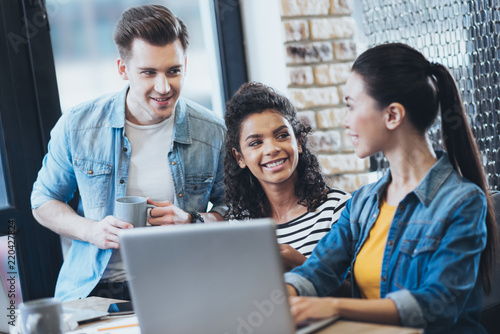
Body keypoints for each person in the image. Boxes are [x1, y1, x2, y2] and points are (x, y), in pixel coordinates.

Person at [285, 43, 498, 333]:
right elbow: (320, 268)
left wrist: (335, 306)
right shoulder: (363, 202)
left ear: (393, 115)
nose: (345, 121)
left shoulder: (461, 202)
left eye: (351, 105)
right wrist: (287, 295)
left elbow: (437, 306)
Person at [30, 4, 226, 301]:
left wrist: (192, 221)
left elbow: (237, 209)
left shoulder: (212, 131)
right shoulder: (78, 126)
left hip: (181, 285)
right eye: (148, 73)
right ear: (123, 69)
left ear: (185, 64)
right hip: (93, 291)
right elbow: (43, 201)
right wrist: (92, 231)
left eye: (174, 71)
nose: (164, 87)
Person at [224, 82, 351, 271]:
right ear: (240, 157)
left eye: (282, 136)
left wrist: (302, 266)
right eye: (256, 142)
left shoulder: (337, 209)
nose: (272, 149)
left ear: (298, 142)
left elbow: (359, 293)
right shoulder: (239, 223)